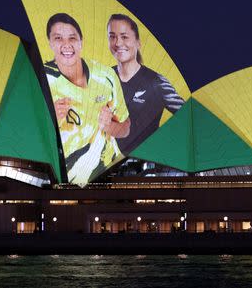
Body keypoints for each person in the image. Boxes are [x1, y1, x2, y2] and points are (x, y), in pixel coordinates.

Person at [44, 13, 130, 185]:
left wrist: (110, 126)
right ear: (50, 43)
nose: (66, 44)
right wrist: (48, 119)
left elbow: (126, 127)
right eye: (58, 38)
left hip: (107, 175)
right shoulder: (42, 81)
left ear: (81, 42)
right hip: (62, 182)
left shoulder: (106, 75)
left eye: (72, 38)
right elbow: (26, 139)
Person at [107, 13, 185, 154]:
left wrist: (164, 147)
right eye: (112, 36)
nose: (118, 43)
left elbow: (188, 117)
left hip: (143, 168)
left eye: (124, 37)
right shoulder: (103, 78)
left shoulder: (156, 83)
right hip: (107, 167)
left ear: (138, 42)